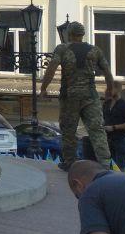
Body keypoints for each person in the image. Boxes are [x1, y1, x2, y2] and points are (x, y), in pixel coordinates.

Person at [41, 21, 116, 171]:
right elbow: (107, 71)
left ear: (69, 34)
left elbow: (51, 69)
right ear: (82, 35)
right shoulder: (95, 50)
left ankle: (70, 162)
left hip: (70, 97)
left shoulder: (62, 49)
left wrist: (43, 88)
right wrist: (110, 89)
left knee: (69, 131)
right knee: (97, 129)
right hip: (91, 96)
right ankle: (105, 163)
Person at [103, 88, 125, 168]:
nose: (107, 91)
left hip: (121, 140)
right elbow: (104, 118)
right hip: (108, 139)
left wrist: (113, 127)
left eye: (110, 89)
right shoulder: (106, 104)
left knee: (119, 167)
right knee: (109, 166)